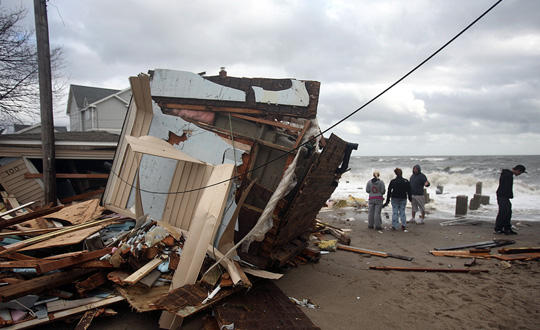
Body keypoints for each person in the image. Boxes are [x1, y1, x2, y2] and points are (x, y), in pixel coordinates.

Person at [494, 164, 526, 235]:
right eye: (520, 172)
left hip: (503, 195)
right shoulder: (508, 175)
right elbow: (506, 187)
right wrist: (509, 195)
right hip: (502, 195)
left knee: (508, 212)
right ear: (518, 170)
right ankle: (498, 229)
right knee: (503, 212)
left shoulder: (508, 174)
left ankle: (507, 228)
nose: (520, 174)